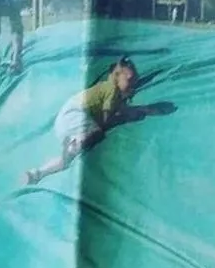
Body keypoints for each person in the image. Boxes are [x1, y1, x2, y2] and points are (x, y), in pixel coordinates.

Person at [24, 57, 139, 185]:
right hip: (74, 113)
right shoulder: (111, 89)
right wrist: (123, 116)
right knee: (97, 133)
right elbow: (106, 119)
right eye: (129, 79)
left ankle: (37, 173)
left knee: (66, 160)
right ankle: (76, 144)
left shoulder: (108, 88)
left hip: (65, 121)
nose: (133, 83)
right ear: (117, 76)